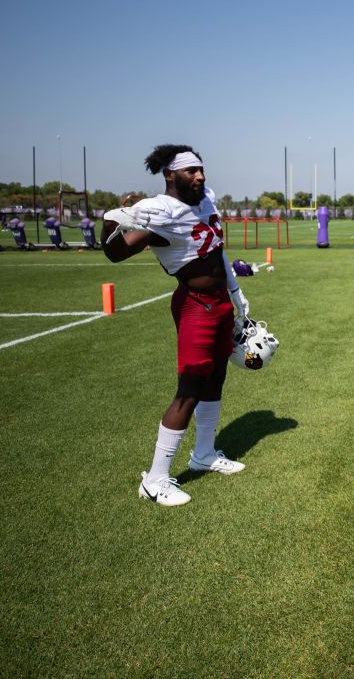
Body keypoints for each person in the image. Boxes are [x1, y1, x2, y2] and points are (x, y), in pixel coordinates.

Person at [101, 144, 251, 507]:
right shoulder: (160, 210)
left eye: (201, 169)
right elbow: (113, 251)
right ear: (170, 175)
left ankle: (204, 454)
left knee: (216, 377)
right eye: (190, 171)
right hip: (195, 306)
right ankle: (155, 479)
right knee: (190, 387)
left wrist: (236, 293)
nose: (199, 176)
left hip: (218, 305)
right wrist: (115, 216)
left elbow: (218, 251)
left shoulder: (207, 198)